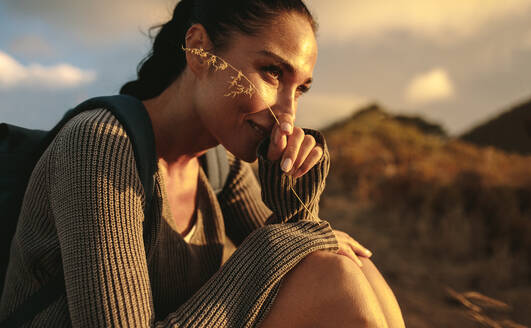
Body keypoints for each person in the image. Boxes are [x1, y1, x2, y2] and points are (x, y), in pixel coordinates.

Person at [0, 0, 405, 327]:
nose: (288, 114)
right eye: (271, 73)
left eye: (299, 90)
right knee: (332, 279)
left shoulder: (219, 163)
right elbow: (279, 252)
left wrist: (295, 194)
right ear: (199, 51)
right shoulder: (100, 145)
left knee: (346, 266)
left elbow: (303, 249)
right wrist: (277, 244)